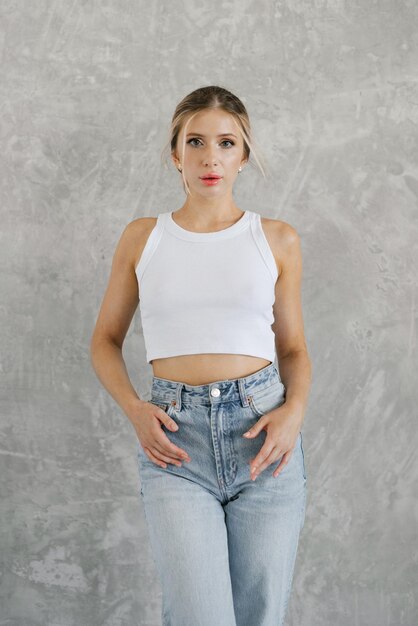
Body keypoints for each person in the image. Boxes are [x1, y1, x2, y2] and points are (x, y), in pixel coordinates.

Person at [90, 85, 312, 626]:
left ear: (244, 155)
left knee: (259, 614)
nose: (210, 157)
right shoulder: (144, 238)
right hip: (176, 443)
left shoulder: (276, 238)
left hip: (263, 436)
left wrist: (293, 413)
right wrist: (136, 410)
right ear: (176, 155)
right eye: (195, 142)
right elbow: (105, 341)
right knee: (199, 616)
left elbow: (294, 349)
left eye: (226, 143)